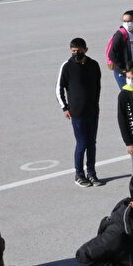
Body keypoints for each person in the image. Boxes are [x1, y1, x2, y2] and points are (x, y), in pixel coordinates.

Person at [56, 37, 104, 188]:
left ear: (86, 50)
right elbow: (59, 89)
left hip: (92, 111)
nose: (76, 53)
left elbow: (98, 86)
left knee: (92, 144)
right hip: (76, 113)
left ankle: (91, 173)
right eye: (73, 51)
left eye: (79, 50)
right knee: (82, 143)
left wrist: (95, 104)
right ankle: (79, 174)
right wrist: (65, 107)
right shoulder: (67, 66)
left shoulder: (94, 65)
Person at [106, 9, 133, 88]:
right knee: (128, 93)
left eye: (129, 21)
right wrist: (123, 68)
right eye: (124, 21)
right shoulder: (120, 34)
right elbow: (111, 54)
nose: (126, 23)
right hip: (124, 73)